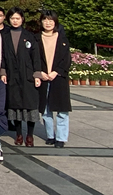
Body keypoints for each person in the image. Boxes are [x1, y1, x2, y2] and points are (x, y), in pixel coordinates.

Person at [0, 7, 41, 147]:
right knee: (15, 106)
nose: (15, 21)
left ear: (22, 19)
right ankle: (18, 134)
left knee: (30, 106)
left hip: (27, 75)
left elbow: (36, 57)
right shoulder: (5, 36)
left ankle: (30, 135)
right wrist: (3, 72)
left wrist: (37, 74)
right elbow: (2, 57)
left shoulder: (29, 36)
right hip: (12, 75)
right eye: (12, 18)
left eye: (17, 18)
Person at [37, 9, 71, 148]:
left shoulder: (62, 39)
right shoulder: (36, 38)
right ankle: (50, 135)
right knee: (46, 109)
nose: (48, 23)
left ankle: (61, 137)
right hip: (43, 77)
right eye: (45, 20)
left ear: (55, 22)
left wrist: (56, 72)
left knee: (62, 110)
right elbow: (33, 58)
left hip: (59, 78)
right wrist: (39, 72)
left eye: (51, 20)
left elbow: (66, 60)